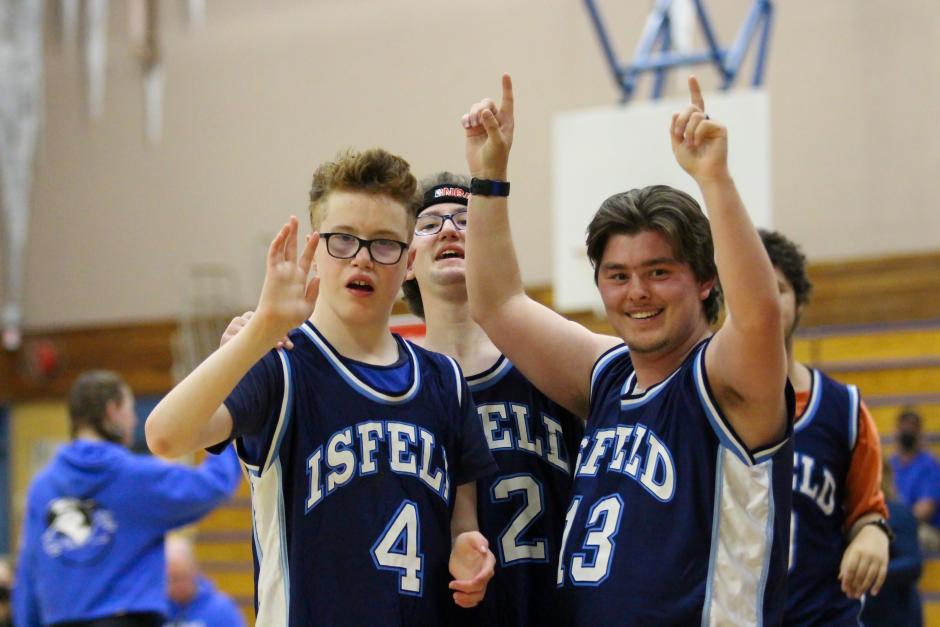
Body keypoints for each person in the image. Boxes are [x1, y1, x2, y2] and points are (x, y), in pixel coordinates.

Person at [461, 74, 793, 625]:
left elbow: (758, 316)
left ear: (706, 281)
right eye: (618, 275)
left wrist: (715, 181)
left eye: (658, 272)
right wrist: (489, 177)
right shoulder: (609, 375)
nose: (637, 291)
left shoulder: (726, 382)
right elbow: (496, 304)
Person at [145, 148, 498, 626]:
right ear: (315, 247)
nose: (363, 258)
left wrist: (465, 549)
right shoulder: (281, 364)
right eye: (344, 240)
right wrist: (260, 330)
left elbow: (462, 518)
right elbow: (165, 436)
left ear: (409, 259)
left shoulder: (445, 381)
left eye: (384, 243)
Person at [405, 172, 584, 625]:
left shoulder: (547, 365)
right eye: (429, 223)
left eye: (466, 220)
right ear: (405, 259)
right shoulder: (393, 387)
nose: (449, 229)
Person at [13, 370, 242, 627]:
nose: (134, 421)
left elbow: (28, 576)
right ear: (113, 411)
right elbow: (213, 485)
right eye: (130, 409)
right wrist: (228, 423)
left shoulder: (42, 487)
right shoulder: (136, 477)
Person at [759, 229, 891, 625]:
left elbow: (868, 513)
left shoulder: (846, 410)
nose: (763, 299)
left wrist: (873, 536)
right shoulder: (698, 401)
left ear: (799, 304)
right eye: (750, 286)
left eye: (777, 288)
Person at [861, 460, 923, 627]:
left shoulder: (897, 513)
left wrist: (870, 572)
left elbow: (913, 564)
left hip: (895, 615)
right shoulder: (848, 515)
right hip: (865, 614)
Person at [164, 536, 245, 627]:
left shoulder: (221, 609)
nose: (178, 586)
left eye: (182, 578)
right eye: (172, 580)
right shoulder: (154, 610)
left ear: (194, 571)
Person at [891, 408, 940, 549]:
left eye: (912, 427)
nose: (908, 431)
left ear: (919, 433)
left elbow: (925, 510)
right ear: (896, 430)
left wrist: (896, 523)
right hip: (896, 525)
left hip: (926, 528)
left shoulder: (929, 465)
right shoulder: (892, 465)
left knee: (914, 538)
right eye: (904, 426)